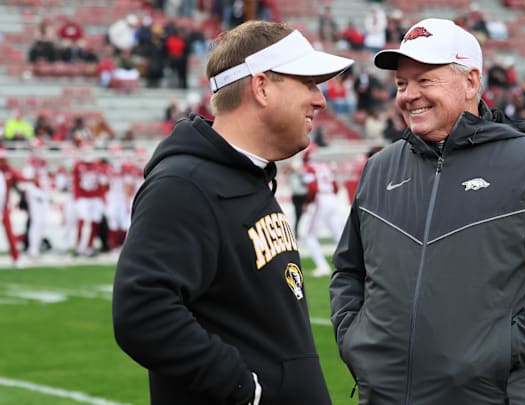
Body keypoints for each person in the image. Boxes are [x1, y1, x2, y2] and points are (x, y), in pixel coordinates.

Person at [329, 18, 525, 404]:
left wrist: (501, 349)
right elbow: (349, 270)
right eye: (401, 84)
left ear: (471, 82)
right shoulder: (380, 167)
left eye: (425, 81)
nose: (409, 95)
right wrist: (353, 339)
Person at [112, 20, 353, 405]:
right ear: (261, 87)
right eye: (307, 83)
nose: (320, 99)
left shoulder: (247, 176)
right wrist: (244, 389)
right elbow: (141, 312)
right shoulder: (184, 185)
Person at [300, 144, 344, 277]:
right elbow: (335, 186)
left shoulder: (309, 168)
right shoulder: (325, 166)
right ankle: (352, 262)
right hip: (331, 197)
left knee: (310, 235)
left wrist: (308, 202)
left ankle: (322, 266)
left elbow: (313, 188)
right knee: (339, 235)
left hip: (321, 199)